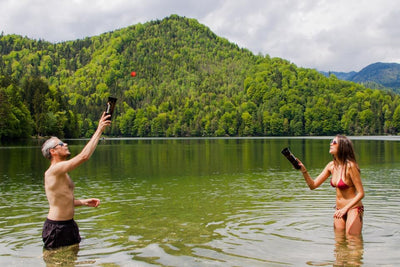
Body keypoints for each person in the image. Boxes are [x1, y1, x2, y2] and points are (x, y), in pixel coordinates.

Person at [41, 112, 111, 250]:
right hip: (56, 228)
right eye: (61, 144)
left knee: (71, 261)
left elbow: (63, 201)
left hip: (69, 225)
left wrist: (84, 202)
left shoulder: (62, 173)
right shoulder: (54, 170)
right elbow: (84, 156)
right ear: (53, 151)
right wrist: (99, 130)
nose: (65, 144)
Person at [297, 135, 365, 236]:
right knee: (339, 244)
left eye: (334, 142)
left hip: (353, 208)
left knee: (353, 242)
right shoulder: (331, 166)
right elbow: (313, 185)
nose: (330, 144)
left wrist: (345, 209)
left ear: (342, 147)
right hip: (339, 210)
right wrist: (304, 171)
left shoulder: (351, 166)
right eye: (331, 141)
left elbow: (361, 193)